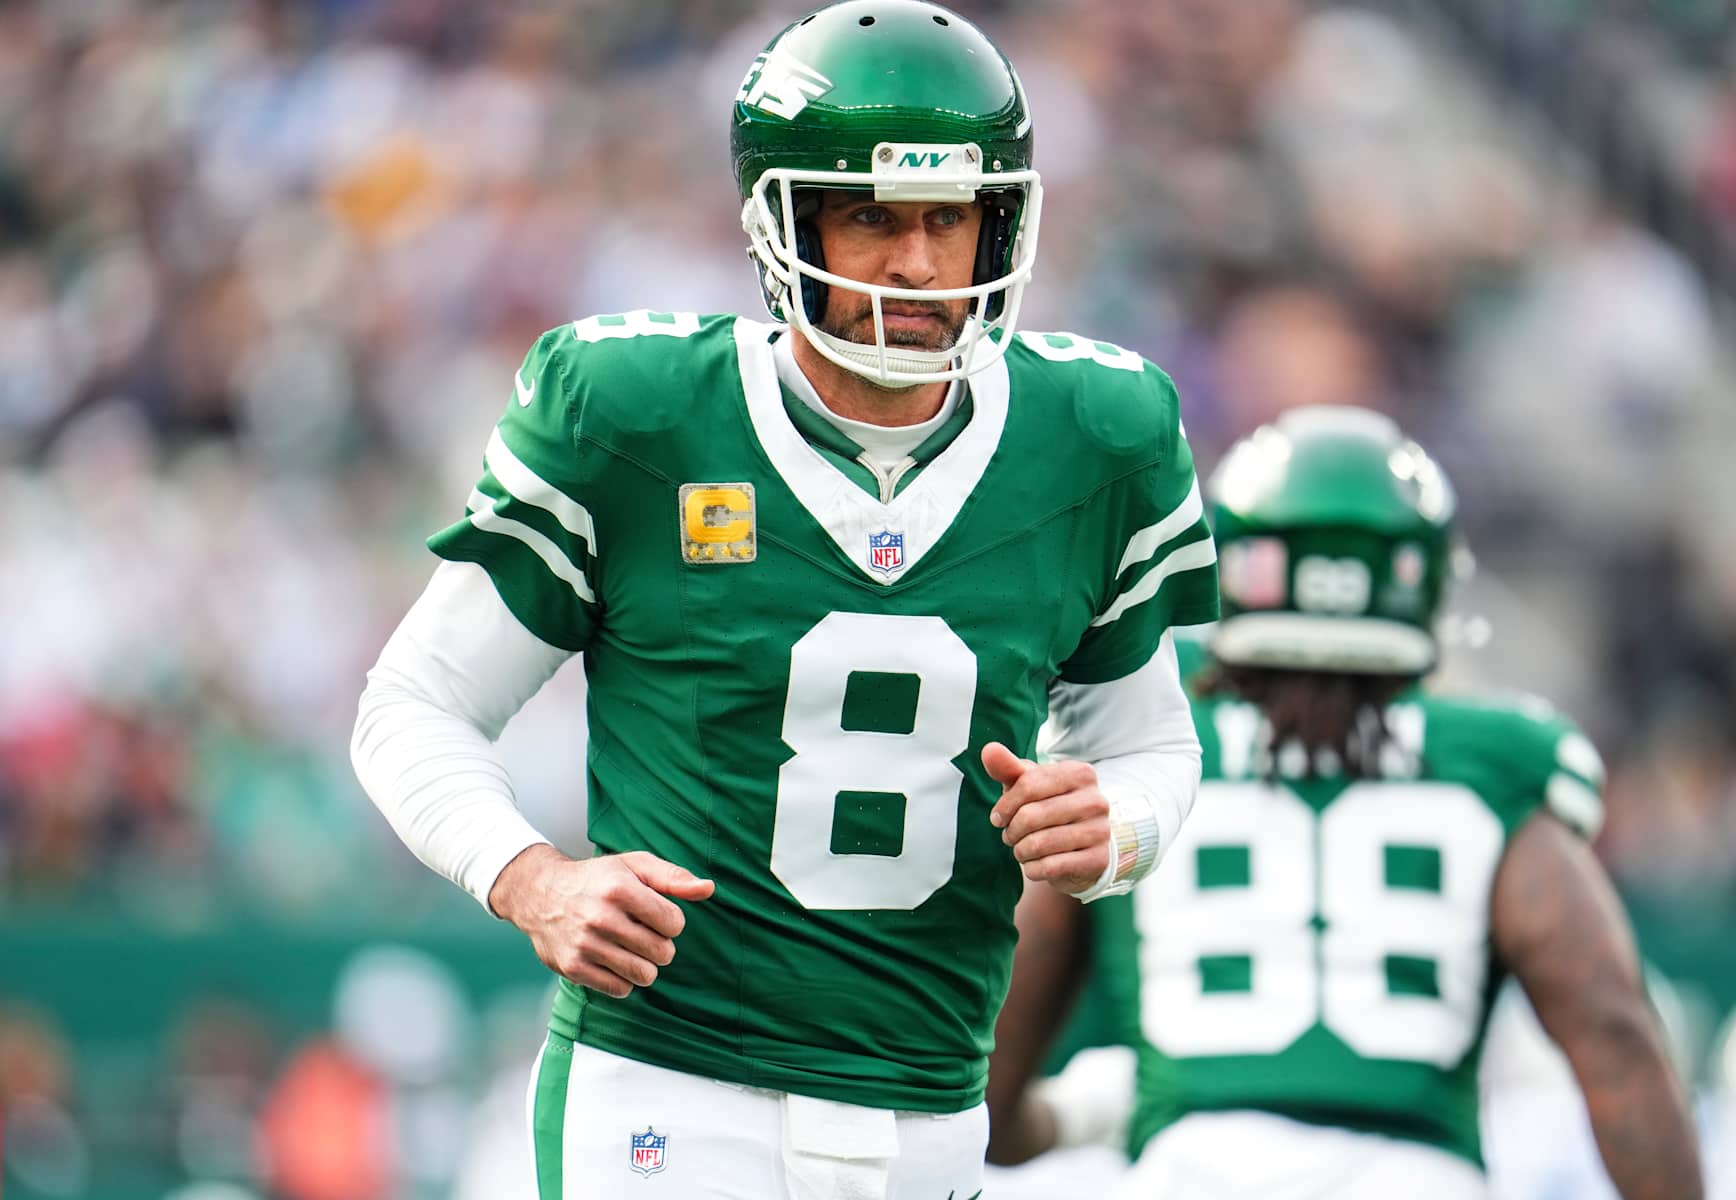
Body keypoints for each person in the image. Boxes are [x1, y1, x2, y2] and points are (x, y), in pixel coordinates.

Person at [351, 1, 1220, 1194]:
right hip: (670, 1088)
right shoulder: (640, 412)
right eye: (869, 217)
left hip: (930, 1102)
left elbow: (1153, 745)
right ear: (781, 218)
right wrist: (532, 879)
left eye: (948, 219)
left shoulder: (1096, 438)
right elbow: (414, 704)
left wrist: (1116, 826)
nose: (917, 263)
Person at [984, 406, 1705, 1200]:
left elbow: (993, 1081)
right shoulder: (1495, 772)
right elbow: (1614, 1030)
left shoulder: (1136, 761)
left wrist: (1078, 1114)